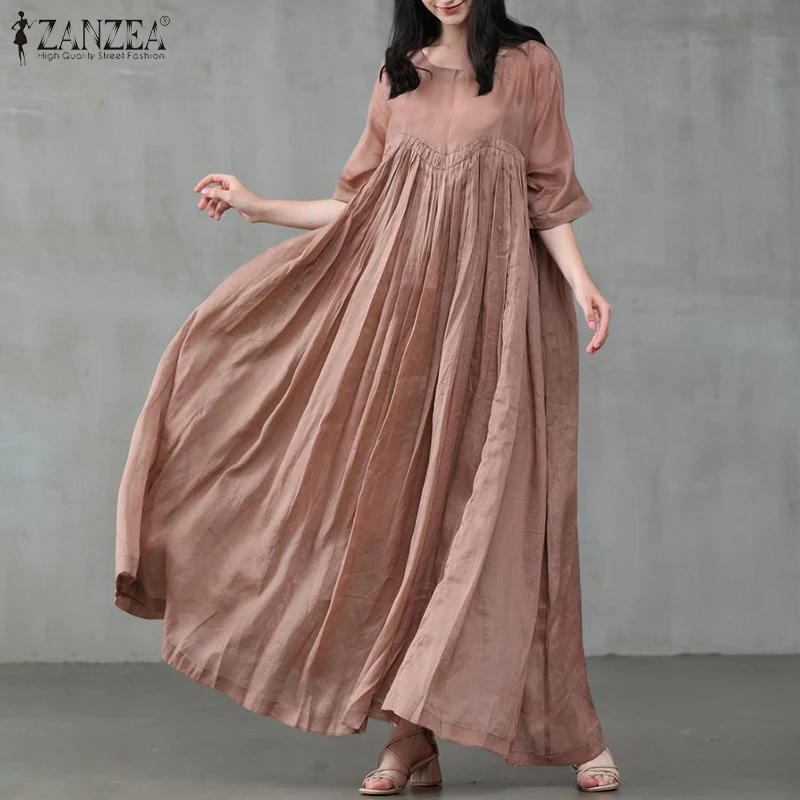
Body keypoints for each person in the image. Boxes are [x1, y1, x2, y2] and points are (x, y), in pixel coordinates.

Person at [114, 0, 620, 794]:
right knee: (398, 519)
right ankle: (408, 736)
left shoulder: (529, 67)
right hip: (403, 330)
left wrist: (583, 282)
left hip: (494, 322)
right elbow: (356, 205)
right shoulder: (397, 77)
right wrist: (257, 205)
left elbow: (547, 192)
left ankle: (576, 733)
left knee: (504, 517)